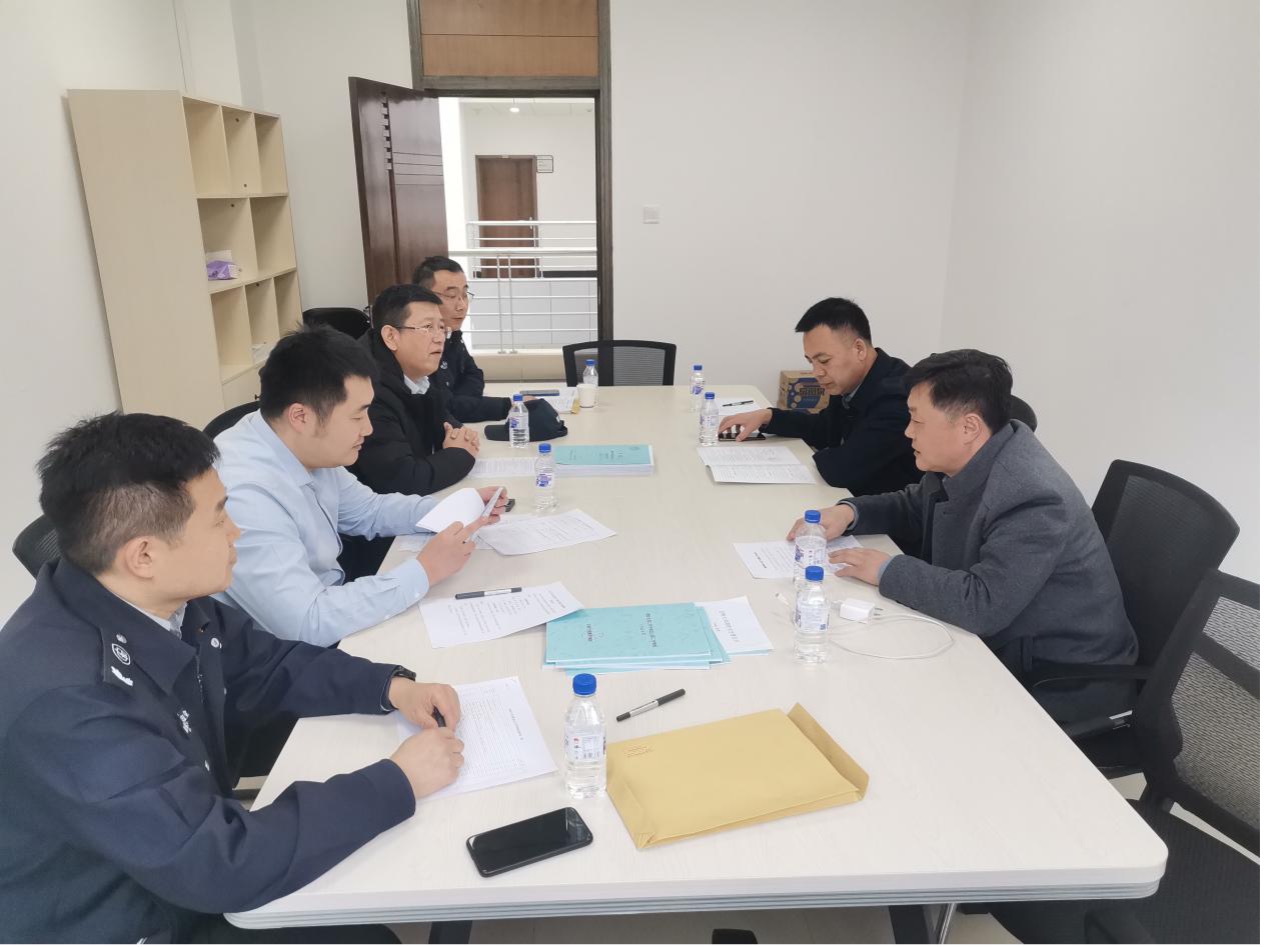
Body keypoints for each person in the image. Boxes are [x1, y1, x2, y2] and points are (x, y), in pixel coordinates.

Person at [0, 413, 467, 943]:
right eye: (219, 518)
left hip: (167, 867)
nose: (235, 532)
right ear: (144, 555)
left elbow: (265, 663)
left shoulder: (158, 598)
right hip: (123, 918)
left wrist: (389, 687)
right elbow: (218, 863)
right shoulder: (70, 704)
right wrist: (397, 781)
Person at [789, 349, 1138, 722]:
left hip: (1057, 679)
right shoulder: (968, 455)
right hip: (997, 644)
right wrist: (850, 513)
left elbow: (982, 605)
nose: (908, 432)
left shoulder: (1034, 496)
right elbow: (915, 505)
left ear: (969, 427)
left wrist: (886, 570)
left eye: (917, 420)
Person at [215, 325, 507, 647]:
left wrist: (452, 510)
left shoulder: (304, 445)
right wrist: (424, 570)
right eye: (357, 417)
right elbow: (306, 622)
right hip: (280, 652)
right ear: (300, 416)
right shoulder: (244, 494)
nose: (368, 429)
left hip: (327, 611)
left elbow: (369, 510)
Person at [343, 284, 483, 578]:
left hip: (399, 519)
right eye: (427, 327)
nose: (439, 337)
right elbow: (403, 479)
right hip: (369, 547)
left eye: (441, 327)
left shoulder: (416, 371)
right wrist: (460, 454)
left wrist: (458, 436)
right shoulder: (369, 389)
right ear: (391, 336)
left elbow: (445, 419)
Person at [719, 297, 920, 496]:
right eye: (811, 362)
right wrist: (769, 417)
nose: (816, 372)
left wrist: (812, 457)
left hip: (883, 509)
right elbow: (825, 429)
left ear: (859, 349)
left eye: (824, 360)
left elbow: (842, 470)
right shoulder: (849, 380)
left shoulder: (898, 398)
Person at [412, 255, 513, 422]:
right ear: (423, 298)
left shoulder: (451, 333)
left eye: (465, 295)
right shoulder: (415, 341)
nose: (462, 306)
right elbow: (442, 407)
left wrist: (460, 402)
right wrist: (508, 406)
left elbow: (474, 374)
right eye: (451, 296)